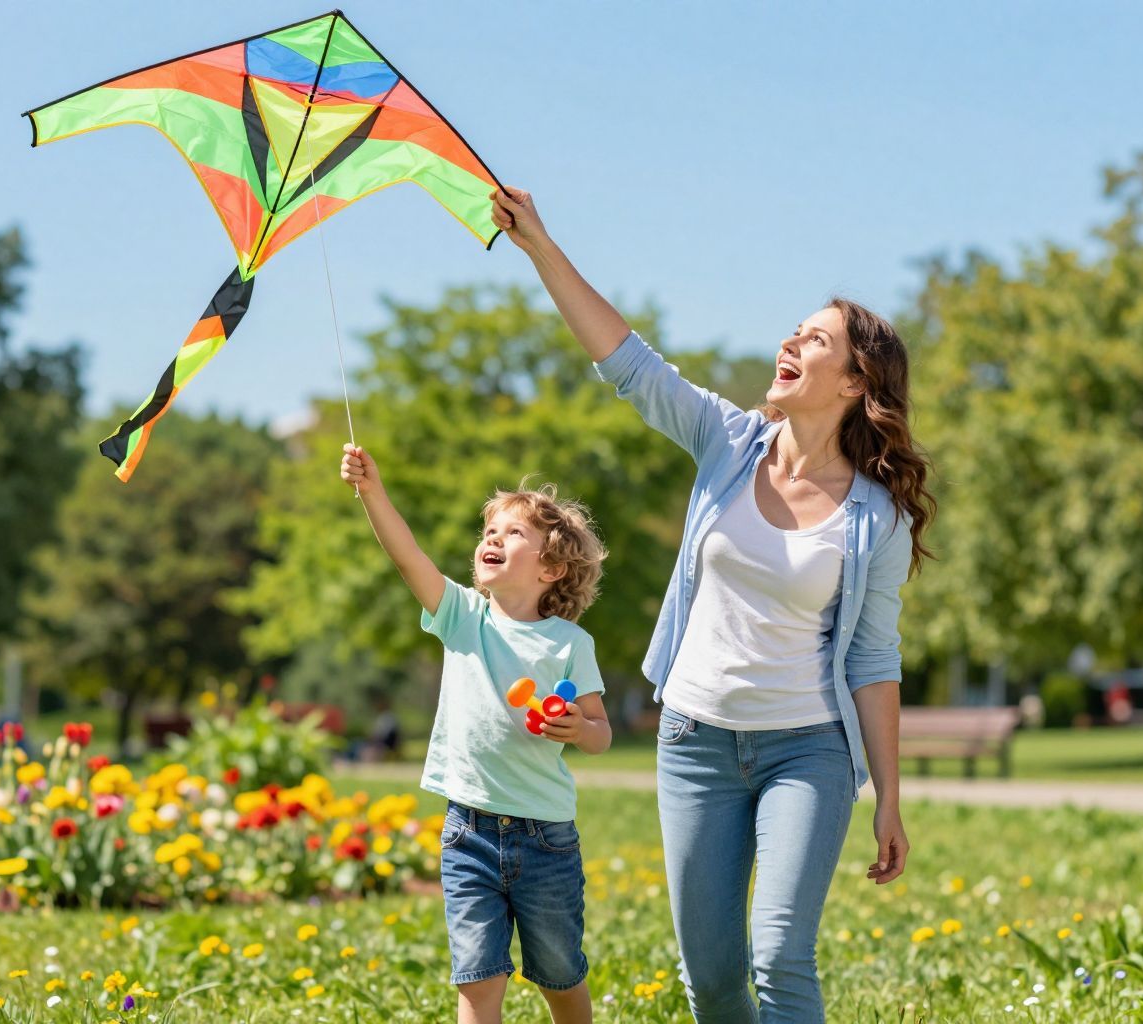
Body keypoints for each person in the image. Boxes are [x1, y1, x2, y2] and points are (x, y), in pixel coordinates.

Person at [490, 186, 936, 1023]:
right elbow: (628, 361)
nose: (789, 342)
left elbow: (874, 660)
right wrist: (540, 246)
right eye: (793, 330)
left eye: (814, 338)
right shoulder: (728, 443)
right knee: (715, 980)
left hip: (807, 749)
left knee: (779, 956)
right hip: (694, 742)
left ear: (854, 382)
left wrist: (890, 797)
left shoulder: (877, 516)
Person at [340, 443, 611, 1024]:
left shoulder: (570, 644)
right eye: (488, 529)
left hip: (546, 839)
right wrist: (371, 491)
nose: (491, 538)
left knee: (560, 975)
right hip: (469, 834)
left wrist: (574, 727)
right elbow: (407, 555)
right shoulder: (463, 616)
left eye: (512, 533)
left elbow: (601, 733)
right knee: (478, 980)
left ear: (551, 568)